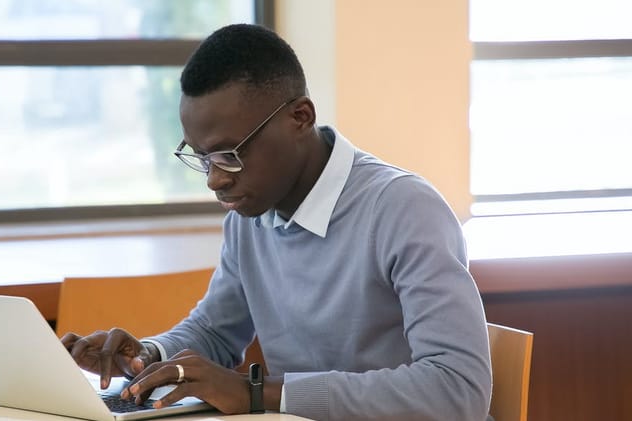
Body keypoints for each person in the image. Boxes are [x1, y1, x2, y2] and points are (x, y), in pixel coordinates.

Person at [61, 23, 492, 421]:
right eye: (201, 157)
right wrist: (148, 357)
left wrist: (259, 393)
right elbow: (215, 330)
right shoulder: (250, 211)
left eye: (230, 153)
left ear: (299, 118)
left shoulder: (403, 208)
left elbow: (457, 389)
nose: (215, 179)